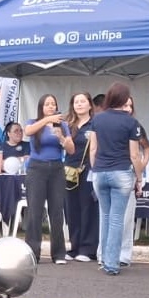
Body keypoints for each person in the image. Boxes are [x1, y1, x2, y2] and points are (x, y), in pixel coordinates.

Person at [88, 82, 142, 276]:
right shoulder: (130, 122)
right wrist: (139, 177)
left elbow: (93, 149)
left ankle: (103, 257)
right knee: (117, 218)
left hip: (100, 171)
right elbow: (134, 155)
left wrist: (95, 168)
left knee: (105, 215)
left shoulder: (98, 119)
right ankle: (112, 263)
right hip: (121, 172)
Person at [23, 94, 74, 264]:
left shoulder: (63, 126)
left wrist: (61, 137)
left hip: (57, 169)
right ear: (41, 108)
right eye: (47, 104)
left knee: (57, 211)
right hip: (37, 168)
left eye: (53, 104)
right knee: (35, 212)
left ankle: (59, 254)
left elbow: (71, 149)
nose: (51, 107)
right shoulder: (33, 122)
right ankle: (32, 253)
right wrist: (47, 120)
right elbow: (28, 132)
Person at [63, 92, 98, 262]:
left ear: (90, 105)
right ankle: (74, 246)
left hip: (88, 170)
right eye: (76, 101)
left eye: (83, 101)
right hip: (69, 171)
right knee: (72, 209)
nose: (79, 104)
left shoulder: (95, 124)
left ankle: (88, 248)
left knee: (88, 208)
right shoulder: (68, 125)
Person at [118, 96, 149, 268]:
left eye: (130, 105)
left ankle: (124, 254)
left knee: (127, 217)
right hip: (111, 172)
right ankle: (107, 253)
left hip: (129, 173)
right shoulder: (109, 124)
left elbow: (146, 148)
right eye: (124, 105)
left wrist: (141, 168)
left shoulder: (135, 125)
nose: (128, 109)